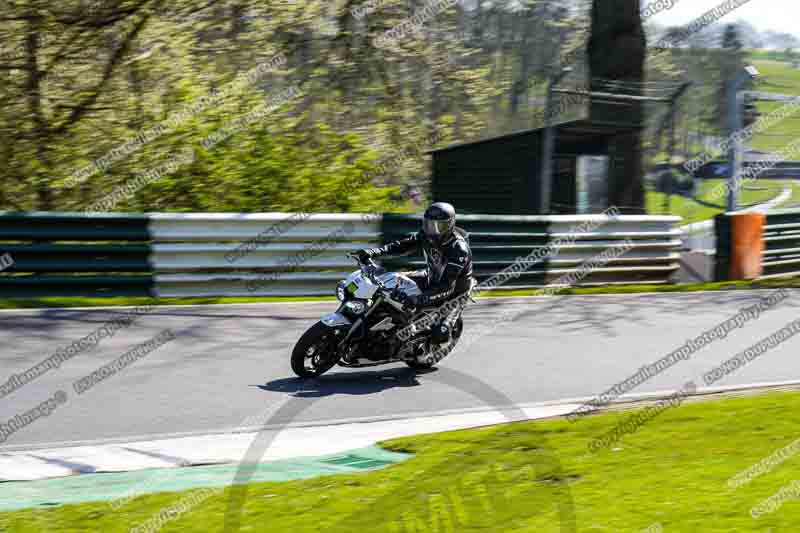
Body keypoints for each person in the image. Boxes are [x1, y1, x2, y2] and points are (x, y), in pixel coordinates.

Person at [355, 202, 473, 309]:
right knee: (392, 283)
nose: (432, 230)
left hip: (454, 293)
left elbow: (447, 286)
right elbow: (403, 246)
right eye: (429, 224)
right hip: (431, 278)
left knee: (440, 330)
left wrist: (418, 299)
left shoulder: (458, 249)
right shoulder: (425, 235)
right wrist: (375, 252)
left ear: (449, 225)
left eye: (438, 226)